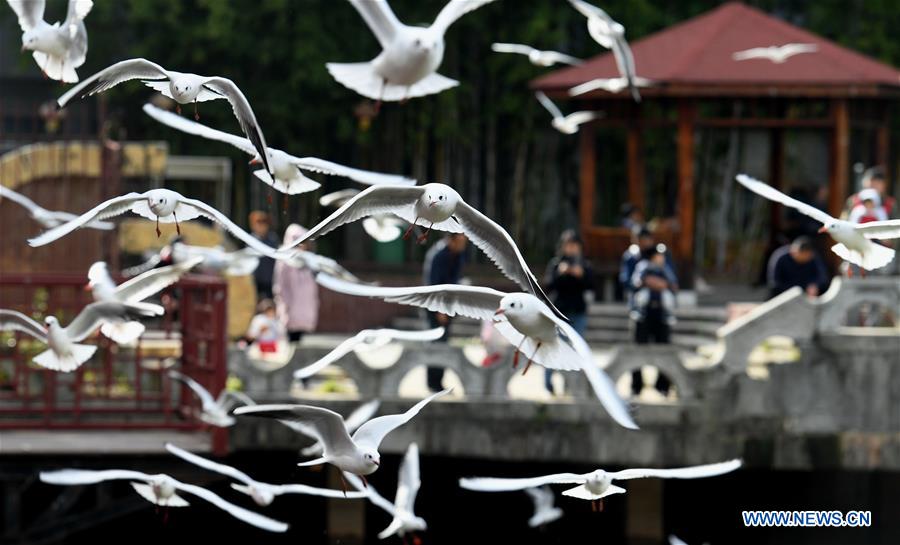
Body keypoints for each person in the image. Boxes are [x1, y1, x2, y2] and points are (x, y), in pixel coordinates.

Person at [543, 230, 593, 395]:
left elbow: (591, 286)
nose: (571, 249)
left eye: (574, 245)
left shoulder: (585, 265)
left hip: (578, 312)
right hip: (558, 312)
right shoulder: (556, 264)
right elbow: (548, 286)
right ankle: (548, 382)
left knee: (575, 349)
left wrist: (581, 275)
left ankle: (569, 385)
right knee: (554, 347)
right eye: (568, 245)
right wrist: (560, 273)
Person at [629, 247, 678, 397]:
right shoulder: (643, 266)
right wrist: (654, 282)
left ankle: (662, 386)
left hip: (662, 314)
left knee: (664, 350)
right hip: (643, 314)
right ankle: (637, 386)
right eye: (657, 256)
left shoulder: (666, 269)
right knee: (638, 350)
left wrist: (656, 283)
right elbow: (636, 283)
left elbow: (673, 286)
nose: (660, 259)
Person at [422, 233, 467, 392]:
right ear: (451, 240)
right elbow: (433, 285)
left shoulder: (458, 255)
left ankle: (438, 382)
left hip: (448, 307)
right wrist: (439, 311)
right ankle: (432, 383)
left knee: (444, 343)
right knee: (436, 343)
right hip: (435, 307)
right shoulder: (439, 255)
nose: (463, 245)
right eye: (461, 241)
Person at [273, 224, 320, 343]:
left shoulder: (308, 258)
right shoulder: (285, 258)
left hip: (305, 304)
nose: (302, 245)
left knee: (299, 335)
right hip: (291, 304)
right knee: (290, 334)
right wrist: (284, 301)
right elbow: (280, 283)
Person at [249, 211, 279, 299]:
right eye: (258, 223)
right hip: (254, 282)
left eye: (263, 223)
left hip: (270, 281)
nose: (261, 226)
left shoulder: (273, 239)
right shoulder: (250, 240)